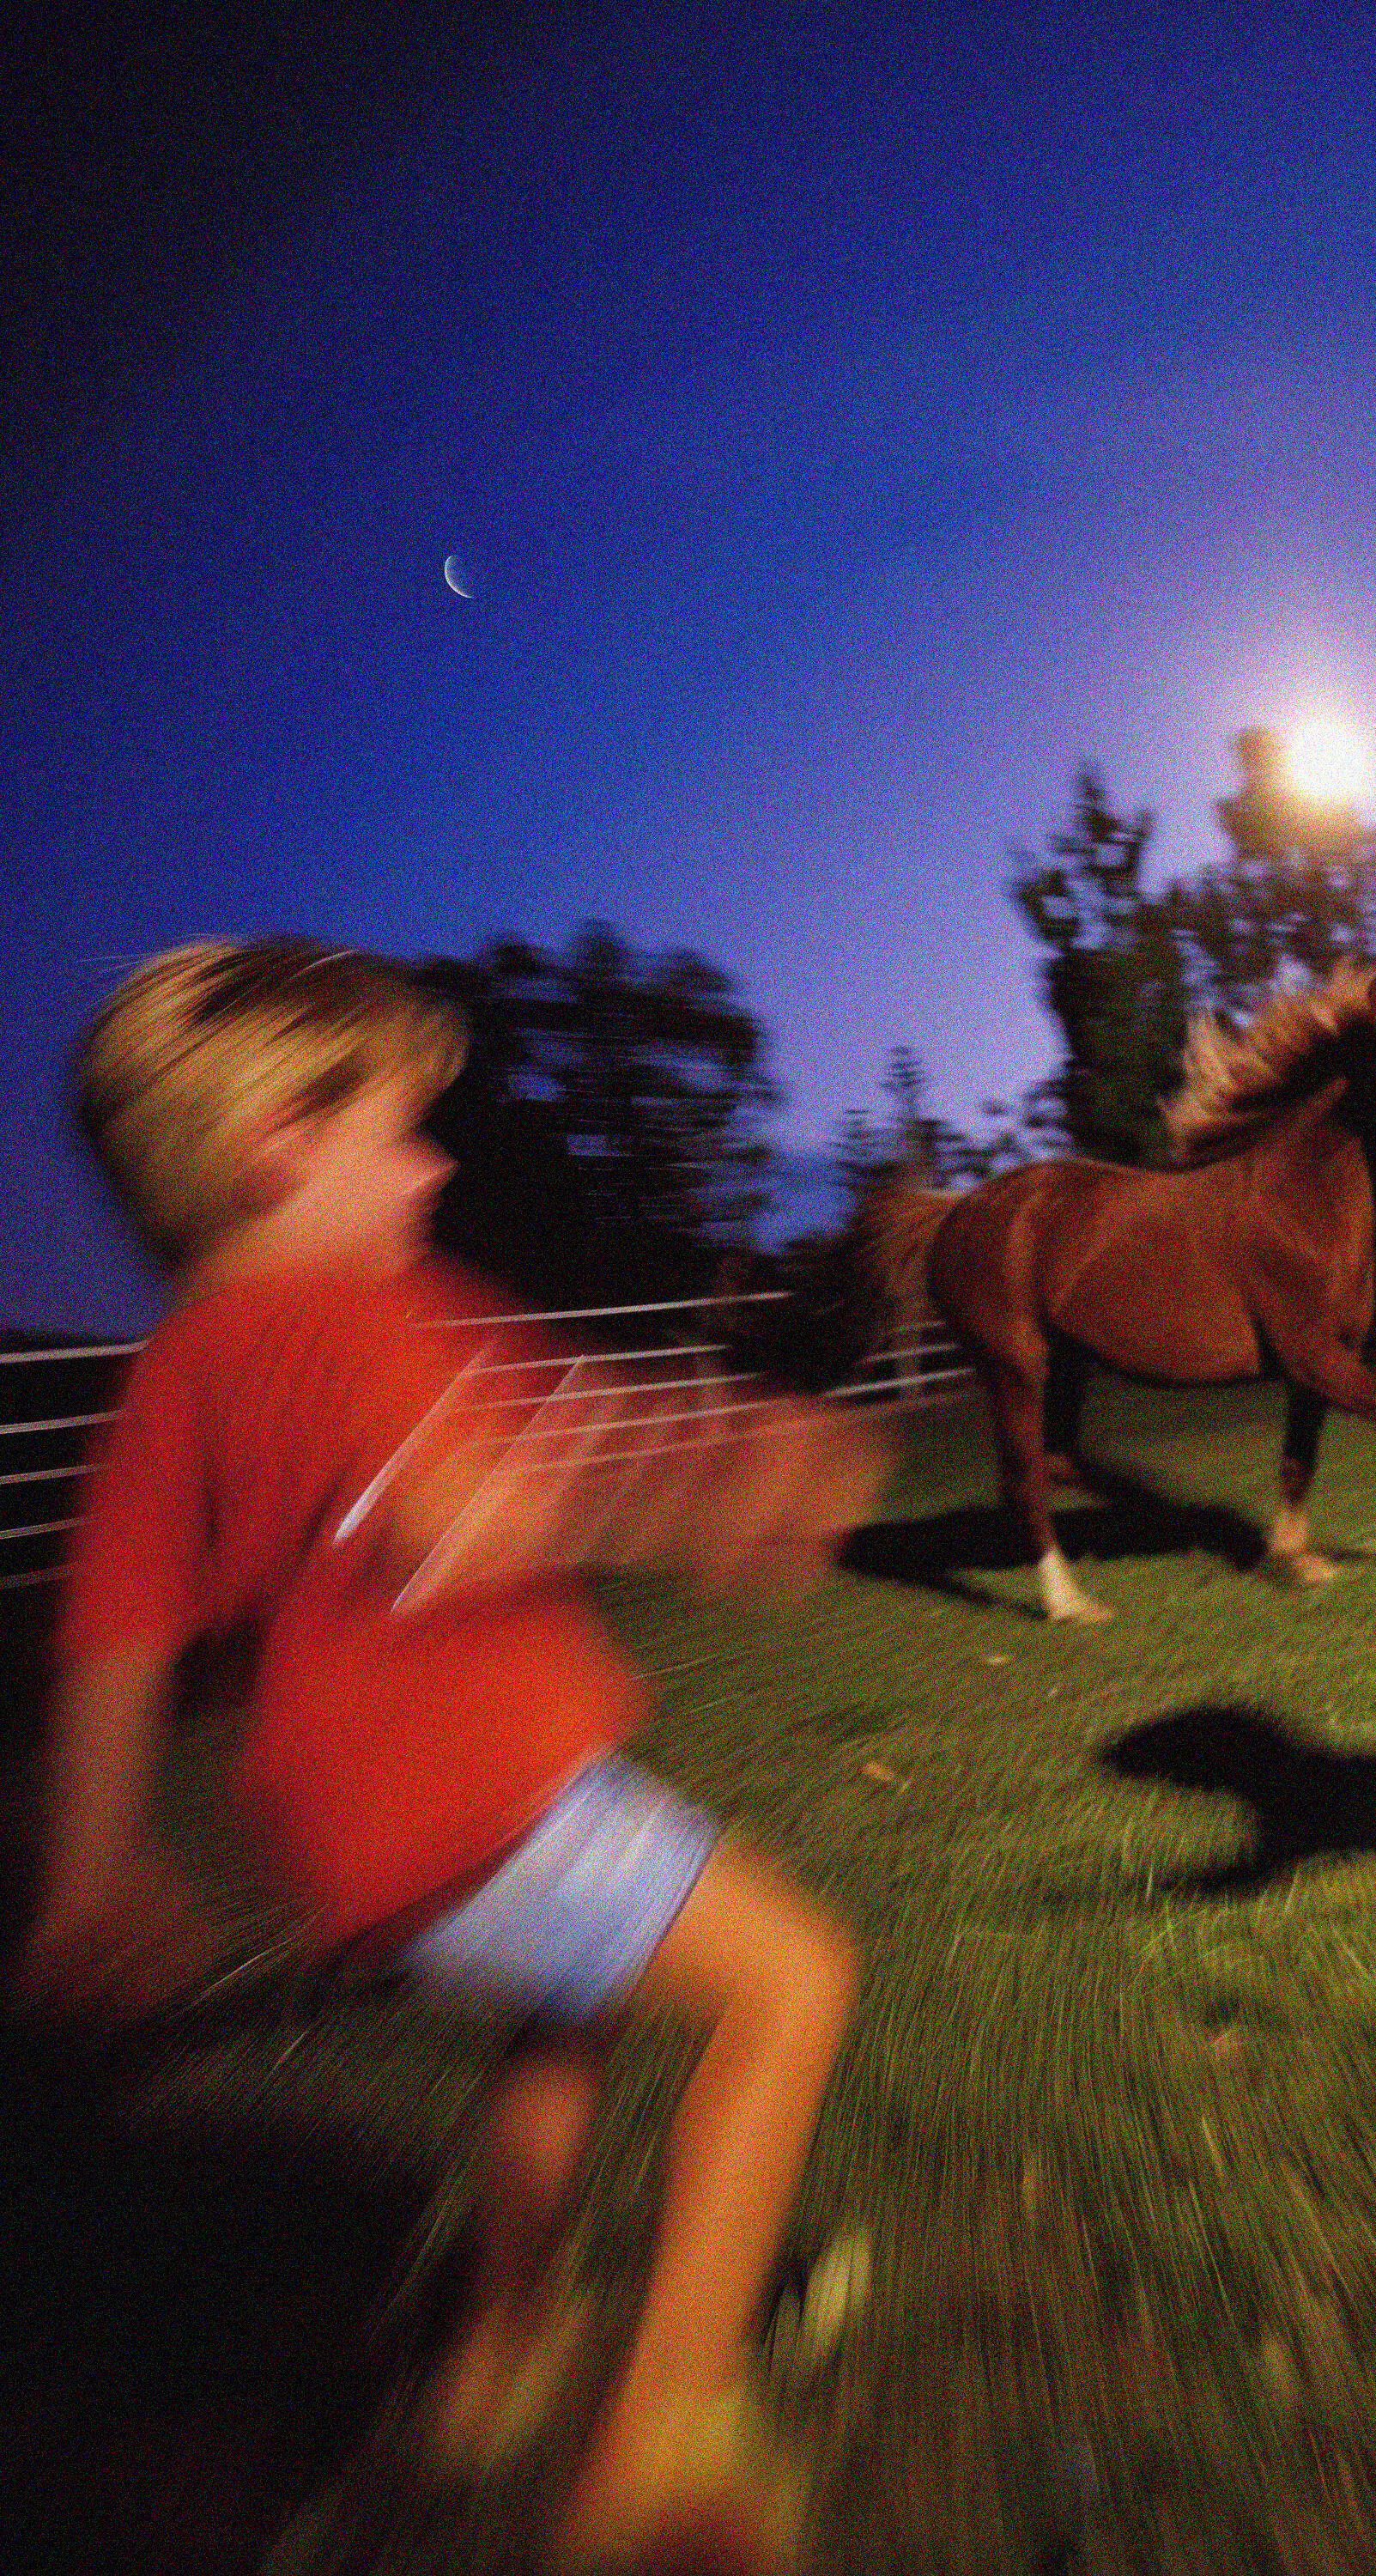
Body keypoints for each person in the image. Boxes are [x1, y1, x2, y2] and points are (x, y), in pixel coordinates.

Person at [17, 937, 889, 2570]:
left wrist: (89, 1867)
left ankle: (503, 2345)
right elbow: (457, 1520)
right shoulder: (340, 1319)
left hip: (348, 1837)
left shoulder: (177, 1374)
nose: (435, 1167)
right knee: (791, 1985)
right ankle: (661, 2439)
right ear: (279, 1149)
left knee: (558, 2030)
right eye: (402, 1134)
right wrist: (706, 1491)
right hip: (478, 1792)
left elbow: (113, 1633)